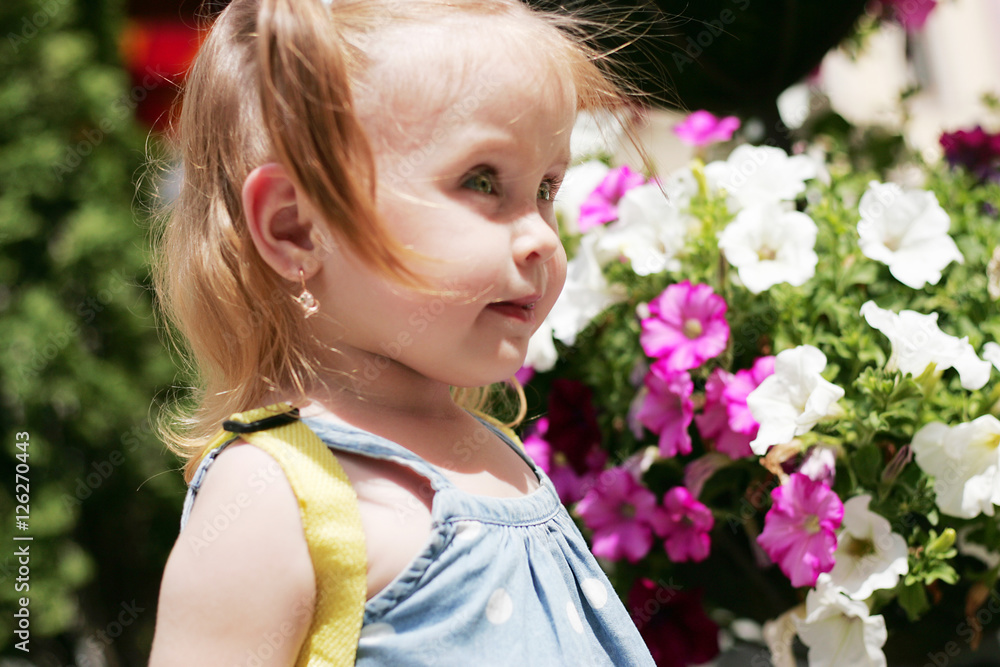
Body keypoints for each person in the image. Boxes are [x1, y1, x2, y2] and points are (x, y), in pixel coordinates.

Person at [149, 0, 656, 664]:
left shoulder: (498, 453)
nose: (541, 237)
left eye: (545, 188)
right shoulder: (277, 497)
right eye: (482, 181)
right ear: (297, 228)